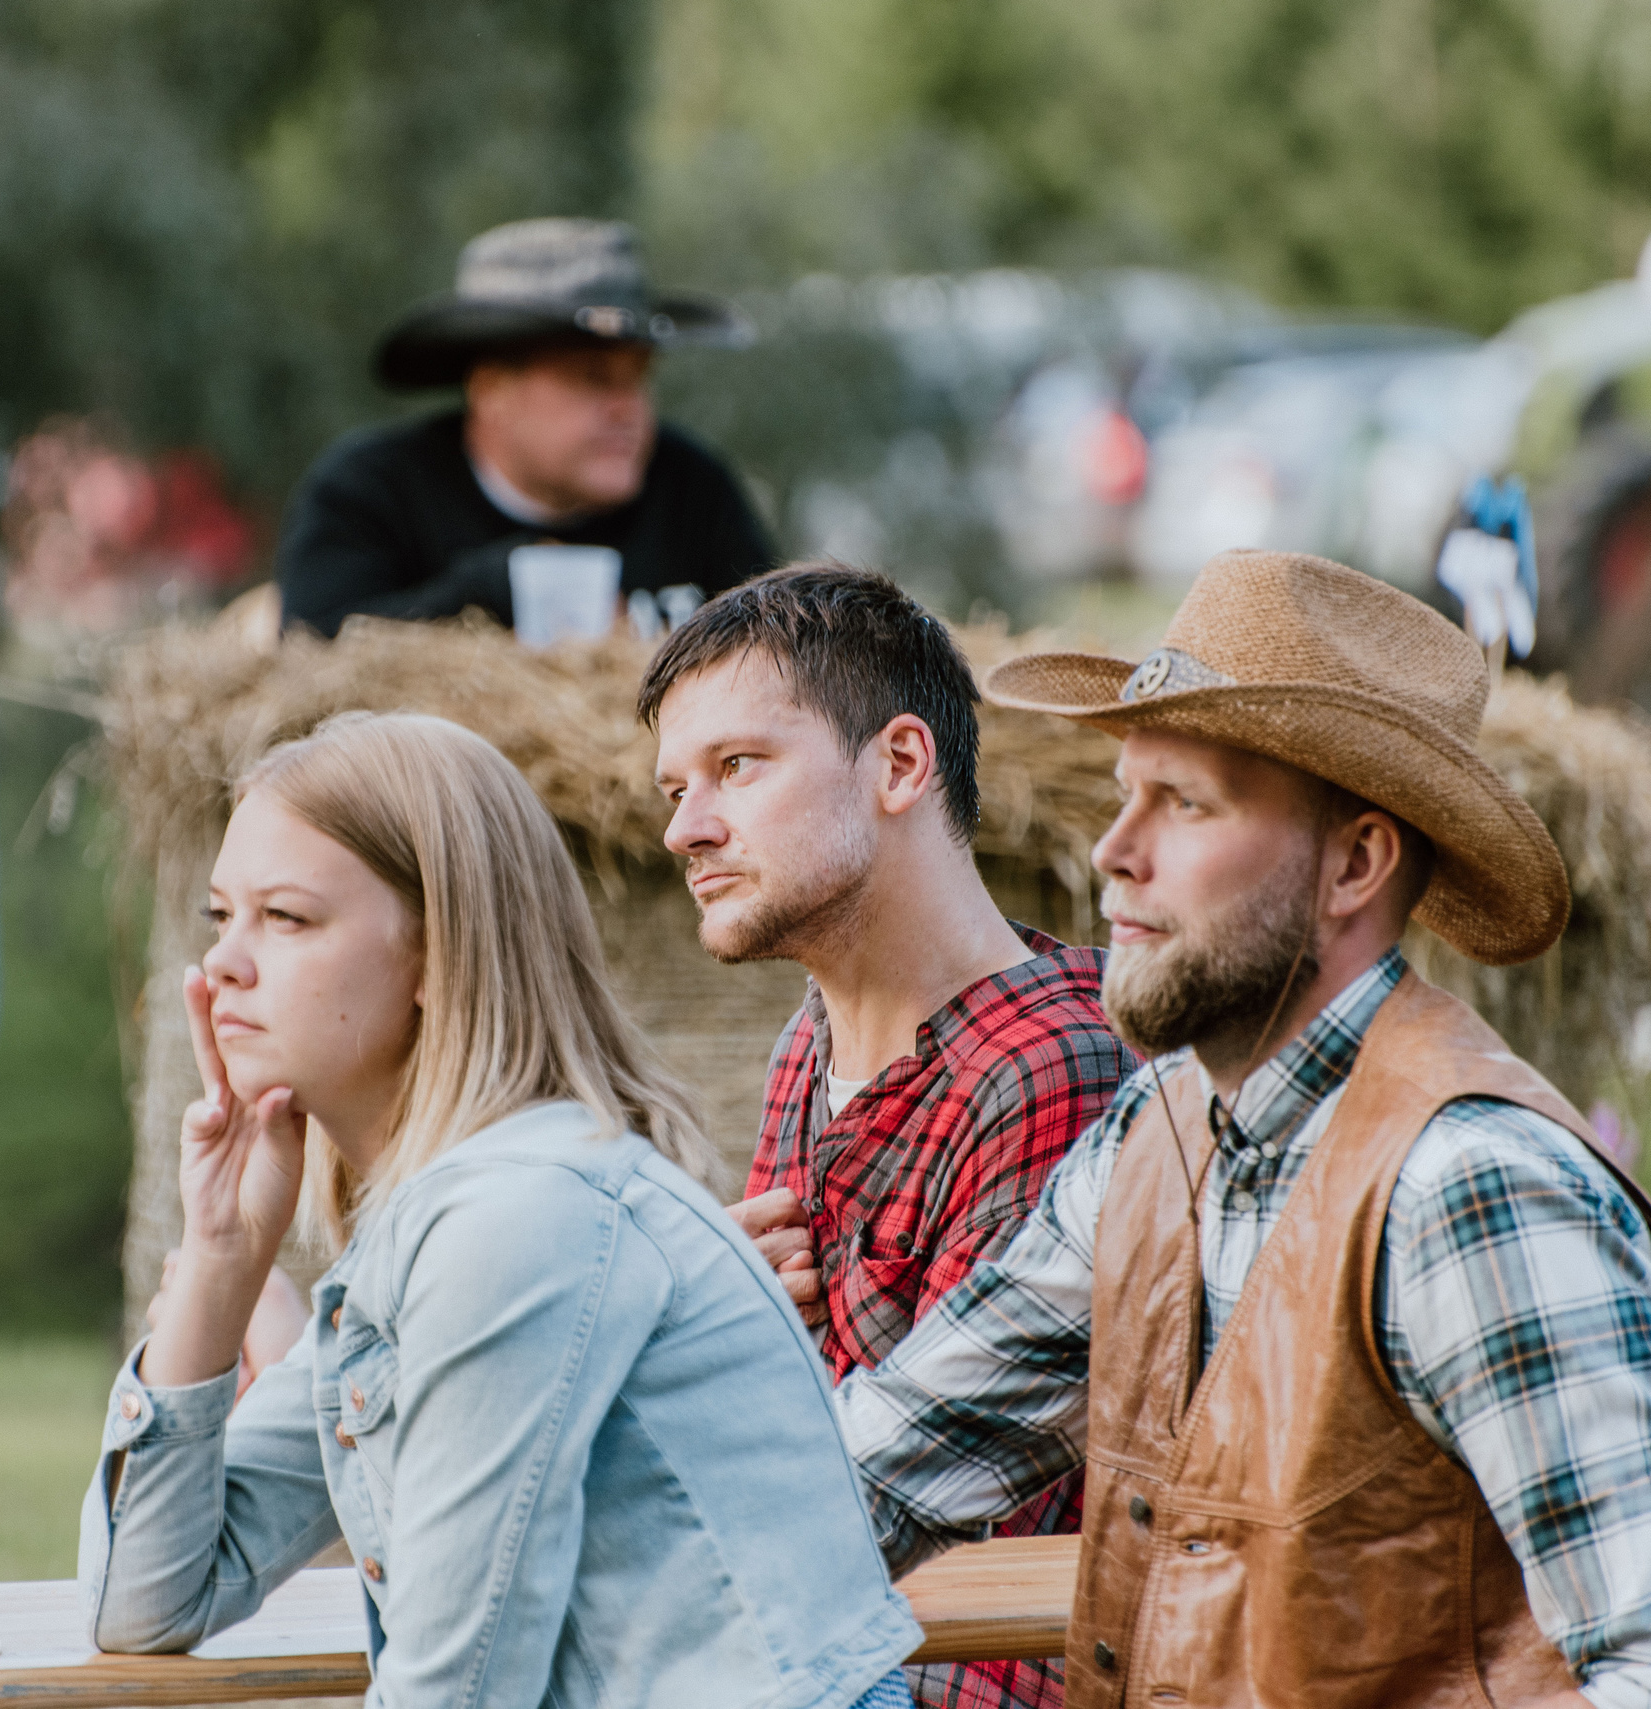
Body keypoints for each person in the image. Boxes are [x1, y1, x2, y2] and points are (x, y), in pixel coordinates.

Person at [835, 550, 1651, 1706]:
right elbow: (873, 1470)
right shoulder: (1159, 1131)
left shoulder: (1467, 1183)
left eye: (1183, 801)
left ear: (1354, 860)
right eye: (1125, 791)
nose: (1112, 849)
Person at [80, 712, 921, 1709]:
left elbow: (455, 1689)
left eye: (288, 917)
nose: (221, 963)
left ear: (440, 956)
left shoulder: (517, 1217)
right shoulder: (429, 1222)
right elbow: (145, 1596)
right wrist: (222, 1258)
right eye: (221, 915)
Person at [637, 563, 1134, 1709]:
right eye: (673, 789)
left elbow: (954, 1527)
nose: (685, 827)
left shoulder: (1050, 1066)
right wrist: (731, 1329)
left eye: (736, 766)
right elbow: (768, 1436)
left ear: (900, 764)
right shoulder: (807, 1047)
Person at [276, 218, 775, 638]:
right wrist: (491, 591)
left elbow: (783, 660)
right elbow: (311, 660)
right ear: (491, 390)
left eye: (639, 377)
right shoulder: (372, 492)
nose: (630, 409)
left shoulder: (693, 491)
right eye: (593, 379)